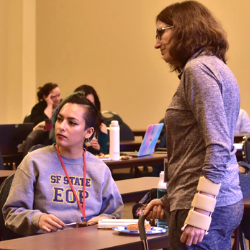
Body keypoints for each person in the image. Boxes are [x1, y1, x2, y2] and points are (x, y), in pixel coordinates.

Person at [144, 1, 243, 250]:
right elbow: (196, 149)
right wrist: (169, 199)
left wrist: (200, 211)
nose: (156, 43)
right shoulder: (218, 67)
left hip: (202, 207)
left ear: (183, 29)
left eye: (160, 32)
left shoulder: (198, 70)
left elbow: (219, 146)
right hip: (216, 201)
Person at [3, 92, 123, 236]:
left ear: (88, 132)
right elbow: (12, 212)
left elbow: (114, 213)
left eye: (72, 122)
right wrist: (36, 219)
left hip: (89, 243)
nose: (61, 127)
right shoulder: (34, 161)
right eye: (59, 119)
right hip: (45, 243)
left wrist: (103, 220)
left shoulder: (100, 169)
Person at [74, 85, 108, 155]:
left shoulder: (101, 127)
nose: (88, 107)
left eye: (91, 104)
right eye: (84, 103)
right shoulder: (70, 125)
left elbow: (105, 153)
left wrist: (98, 148)